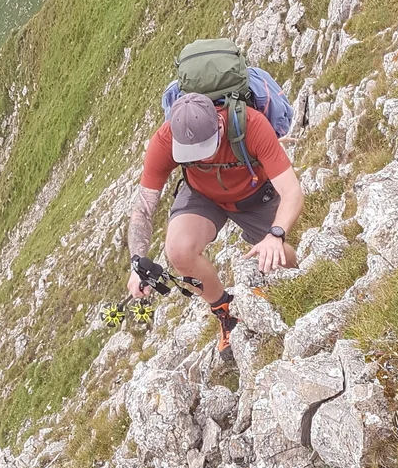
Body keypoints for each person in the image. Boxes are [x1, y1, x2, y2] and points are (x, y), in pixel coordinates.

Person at [126, 92, 304, 358]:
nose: (203, 157)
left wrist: (275, 235)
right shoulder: (165, 140)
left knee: (282, 260)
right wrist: (137, 262)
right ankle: (225, 314)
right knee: (179, 250)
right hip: (203, 195)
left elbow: (292, 192)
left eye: (205, 148)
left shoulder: (251, 125)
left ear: (219, 125)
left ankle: (294, 281)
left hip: (253, 194)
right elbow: (142, 209)